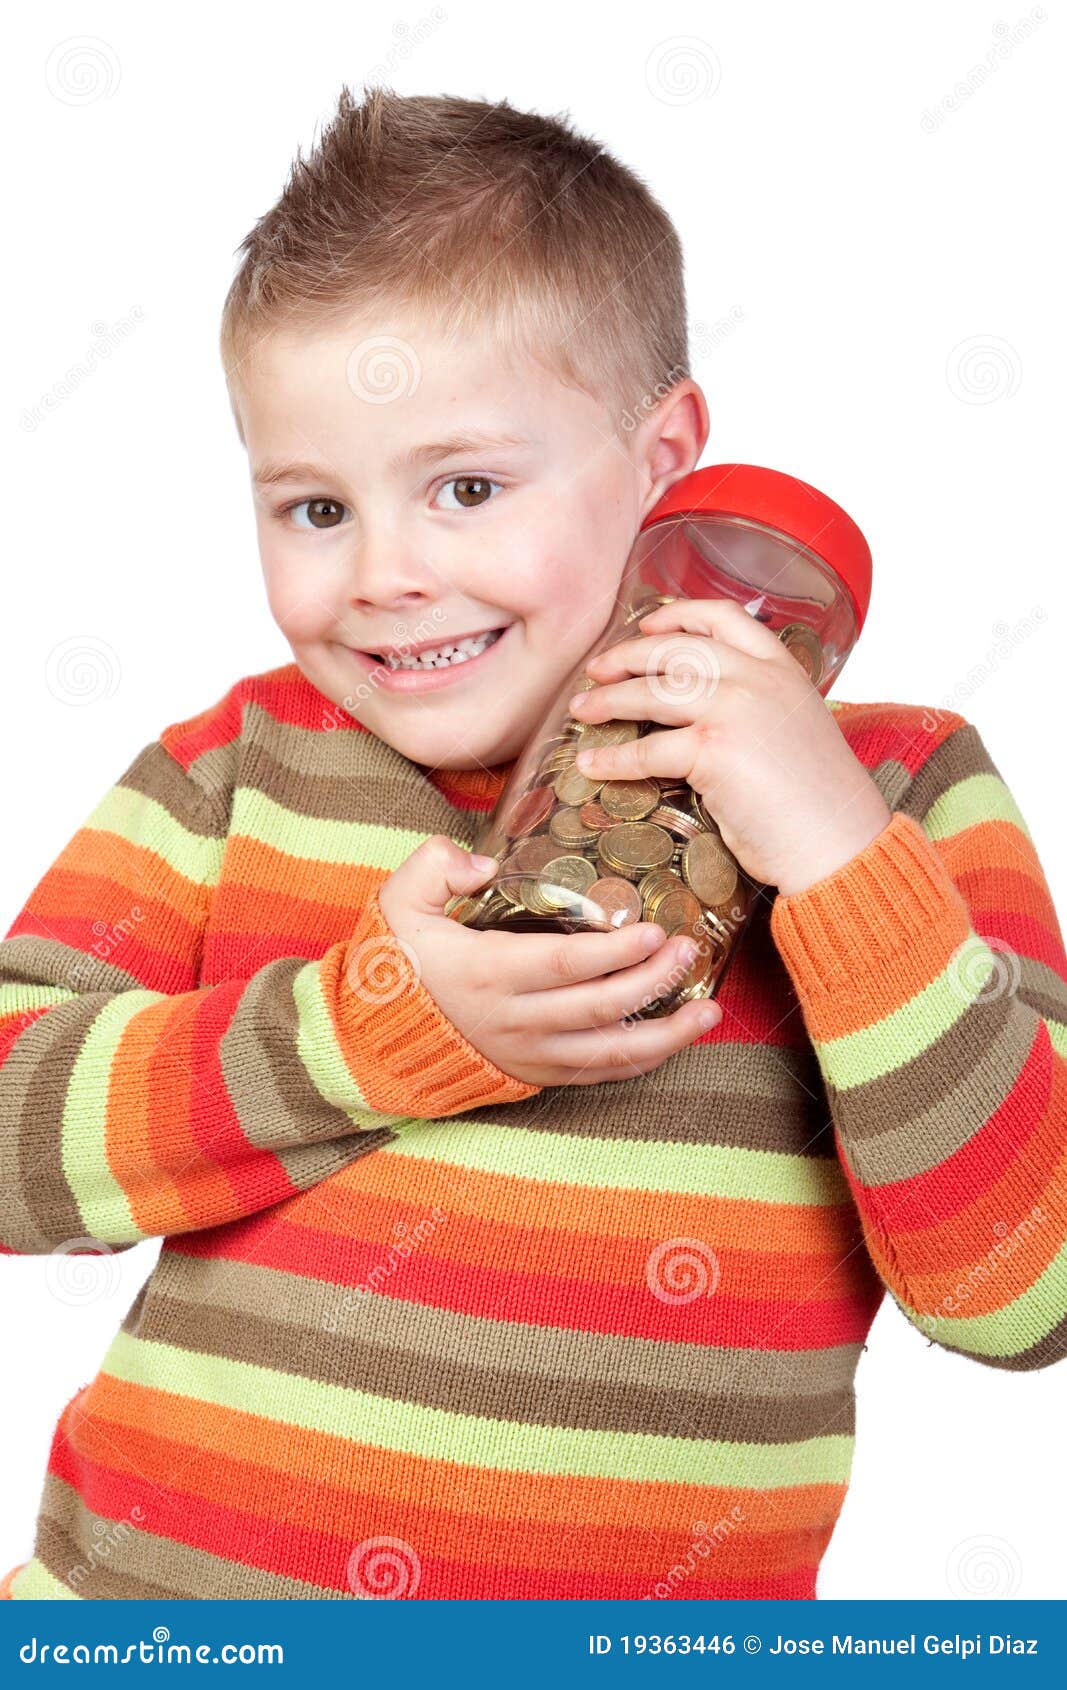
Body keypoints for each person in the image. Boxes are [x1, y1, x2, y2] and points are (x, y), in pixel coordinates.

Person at [1, 85, 1063, 1603]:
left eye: (469, 488)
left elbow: (1023, 1289)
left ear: (664, 460)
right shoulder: (232, 771)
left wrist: (834, 857)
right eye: (313, 505)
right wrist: (353, 1037)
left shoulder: (893, 789)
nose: (383, 575)